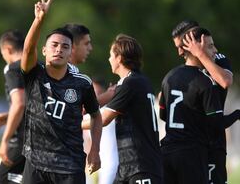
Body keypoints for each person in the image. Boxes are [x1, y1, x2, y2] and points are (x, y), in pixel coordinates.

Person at [20, 0, 102, 184]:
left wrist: (95, 150)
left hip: (70, 166)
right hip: (36, 163)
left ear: (70, 52)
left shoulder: (82, 83)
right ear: (44, 50)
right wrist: (39, 20)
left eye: (65, 47)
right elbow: (27, 49)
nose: (59, 49)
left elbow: (96, 115)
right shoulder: (34, 73)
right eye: (54, 45)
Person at [160, 27, 239, 184]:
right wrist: (237, 114)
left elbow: (164, 115)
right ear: (196, 47)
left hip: (166, 152)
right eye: (210, 45)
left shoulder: (170, 76)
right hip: (192, 154)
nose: (215, 50)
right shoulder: (205, 81)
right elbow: (216, 124)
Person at [83, 34, 163, 184]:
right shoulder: (140, 80)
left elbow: (104, 119)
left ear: (119, 58)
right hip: (129, 166)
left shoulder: (130, 83)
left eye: (111, 55)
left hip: (140, 165)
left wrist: (71, 122)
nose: (109, 59)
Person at [64, 23, 118, 184]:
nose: (91, 48)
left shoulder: (73, 73)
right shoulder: (64, 73)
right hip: (59, 158)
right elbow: (73, 111)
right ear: (73, 46)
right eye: (86, 43)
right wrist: (107, 96)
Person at [0, 30, 26, 184]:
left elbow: (19, 103)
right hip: (41, 139)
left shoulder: (12, 68)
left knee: (2, 178)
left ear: (8, 50)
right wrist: (8, 116)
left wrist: (5, 140)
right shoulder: (39, 67)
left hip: (21, 139)